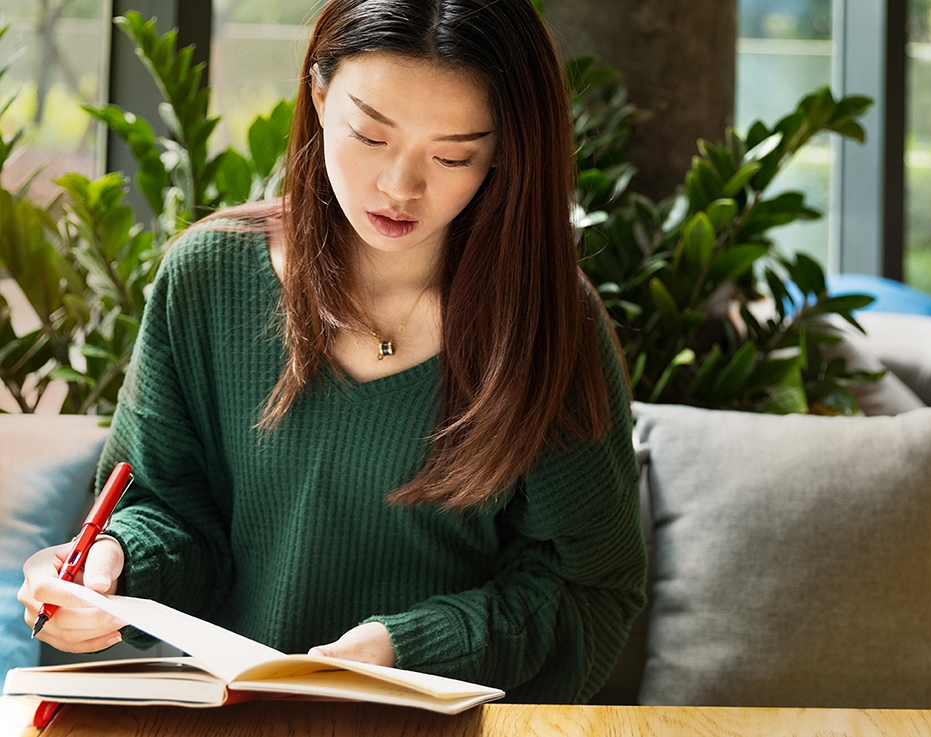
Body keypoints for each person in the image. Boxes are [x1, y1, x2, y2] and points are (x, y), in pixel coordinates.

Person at [19, 0, 646, 703]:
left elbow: (589, 588)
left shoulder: (546, 320)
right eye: (369, 136)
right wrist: (115, 563)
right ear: (319, 96)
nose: (399, 187)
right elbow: (170, 510)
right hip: (240, 720)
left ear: (504, 150)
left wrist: (407, 648)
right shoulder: (209, 278)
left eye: (453, 155)